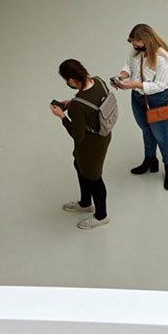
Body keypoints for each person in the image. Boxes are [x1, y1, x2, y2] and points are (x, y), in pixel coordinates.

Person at [51, 59, 112, 229]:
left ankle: (101, 216)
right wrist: (72, 104)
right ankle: (85, 202)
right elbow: (94, 105)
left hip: (91, 144)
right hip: (104, 134)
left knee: (94, 178)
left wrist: (62, 116)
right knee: (78, 165)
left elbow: (77, 135)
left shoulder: (78, 105)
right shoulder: (99, 81)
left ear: (71, 80)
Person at [113, 22, 168, 189]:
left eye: (136, 42)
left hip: (157, 99)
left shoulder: (162, 58)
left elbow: (160, 86)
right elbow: (129, 64)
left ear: (146, 40)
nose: (134, 45)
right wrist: (122, 76)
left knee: (162, 135)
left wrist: (135, 85)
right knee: (146, 130)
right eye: (133, 42)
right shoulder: (136, 50)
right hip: (138, 98)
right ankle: (150, 160)